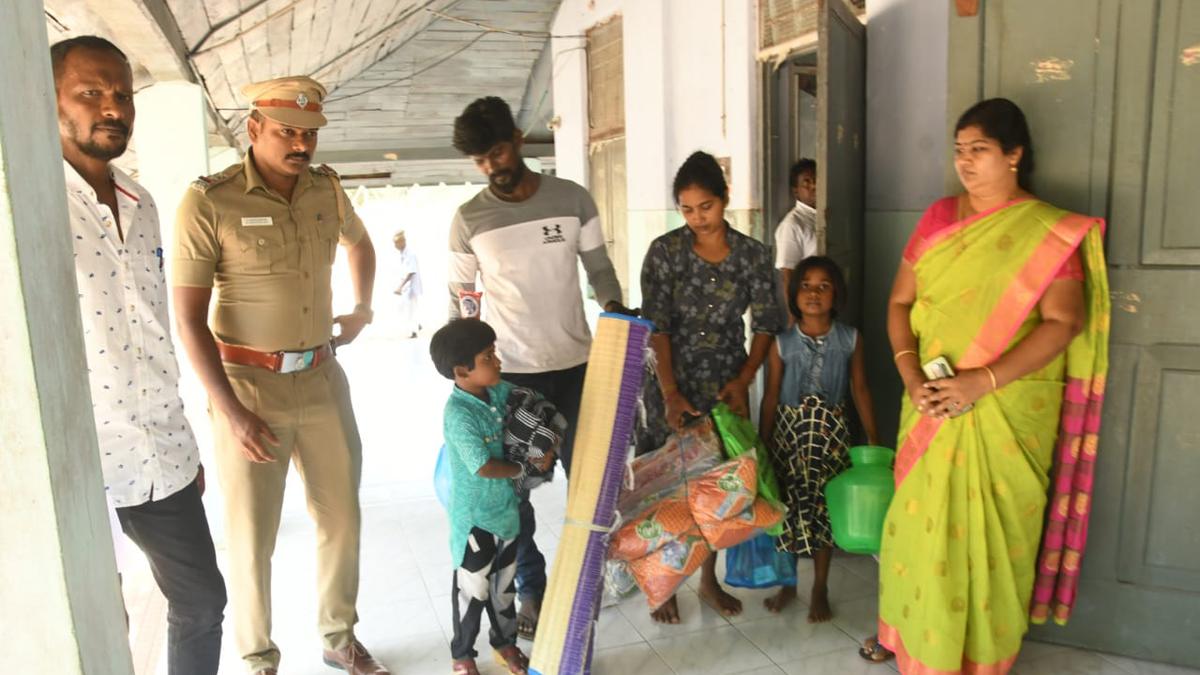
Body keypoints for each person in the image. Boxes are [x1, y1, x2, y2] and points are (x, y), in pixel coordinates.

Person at [866, 98, 1109, 672]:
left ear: (1014, 155)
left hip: (1005, 411)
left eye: (979, 150)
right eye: (959, 151)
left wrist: (983, 380)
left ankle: (975, 661)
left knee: (991, 545)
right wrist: (908, 374)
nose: (965, 164)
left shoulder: (1047, 231)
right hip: (927, 402)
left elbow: (1065, 322)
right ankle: (912, 645)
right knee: (916, 533)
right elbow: (899, 301)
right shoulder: (937, 219)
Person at [172, 76, 387, 675]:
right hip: (247, 386)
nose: (301, 144)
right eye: (288, 131)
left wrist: (363, 309)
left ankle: (339, 637)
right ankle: (258, 654)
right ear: (255, 129)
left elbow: (360, 246)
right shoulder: (210, 201)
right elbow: (188, 320)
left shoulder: (326, 189)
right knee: (251, 535)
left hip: (321, 379)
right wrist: (230, 410)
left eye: (310, 132)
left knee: (342, 519)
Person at [53, 35, 227, 675]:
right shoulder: (30, 201)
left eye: (121, 93)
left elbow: (155, 330)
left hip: (160, 450)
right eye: (90, 92)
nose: (112, 107)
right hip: (75, 461)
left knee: (203, 600)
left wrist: (183, 438)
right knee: (99, 623)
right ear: (51, 101)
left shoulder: (142, 203)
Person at [448, 96, 633, 638]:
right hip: (509, 380)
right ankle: (533, 590)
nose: (491, 167)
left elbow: (599, 268)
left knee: (590, 482)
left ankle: (594, 576)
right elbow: (463, 300)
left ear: (519, 141)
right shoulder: (468, 220)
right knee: (516, 495)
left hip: (579, 368)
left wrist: (617, 314)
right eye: (480, 160)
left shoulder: (572, 199)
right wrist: (467, 378)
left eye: (498, 151)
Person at [637, 150, 785, 623]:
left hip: (726, 382)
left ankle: (708, 581)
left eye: (706, 206)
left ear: (725, 200)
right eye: (687, 209)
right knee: (668, 484)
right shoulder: (665, 252)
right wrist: (670, 393)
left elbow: (765, 325)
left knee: (718, 486)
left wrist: (744, 380)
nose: (697, 218)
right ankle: (664, 586)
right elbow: (656, 327)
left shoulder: (753, 256)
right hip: (670, 377)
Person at [758, 256, 878, 622]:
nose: (814, 293)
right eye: (806, 286)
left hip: (832, 435)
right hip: (789, 436)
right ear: (794, 295)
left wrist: (874, 440)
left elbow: (859, 388)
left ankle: (820, 587)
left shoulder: (850, 338)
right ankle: (789, 583)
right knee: (789, 510)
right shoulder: (780, 344)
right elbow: (772, 395)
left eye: (823, 286)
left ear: (836, 294)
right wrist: (762, 445)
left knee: (825, 510)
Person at [431, 319, 548, 675]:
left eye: (494, 353)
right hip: (476, 521)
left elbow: (532, 403)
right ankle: (462, 654)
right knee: (473, 591)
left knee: (503, 589)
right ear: (461, 370)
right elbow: (483, 465)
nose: (497, 362)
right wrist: (523, 468)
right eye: (487, 357)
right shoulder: (459, 413)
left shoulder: (499, 393)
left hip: (506, 513)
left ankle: (506, 644)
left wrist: (546, 441)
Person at [774, 159, 819, 301]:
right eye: (807, 182)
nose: (814, 186)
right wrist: (793, 315)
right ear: (796, 191)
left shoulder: (823, 217)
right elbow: (788, 276)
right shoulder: (792, 225)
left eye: (816, 180)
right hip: (809, 301)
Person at [392, 230, 422, 338]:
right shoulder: (402, 254)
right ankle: (417, 324)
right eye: (394, 243)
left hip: (411, 287)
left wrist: (400, 287)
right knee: (403, 308)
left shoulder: (410, 254)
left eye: (397, 242)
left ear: (403, 241)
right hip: (406, 287)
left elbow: (411, 272)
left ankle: (414, 331)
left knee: (410, 310)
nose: (395, 245)